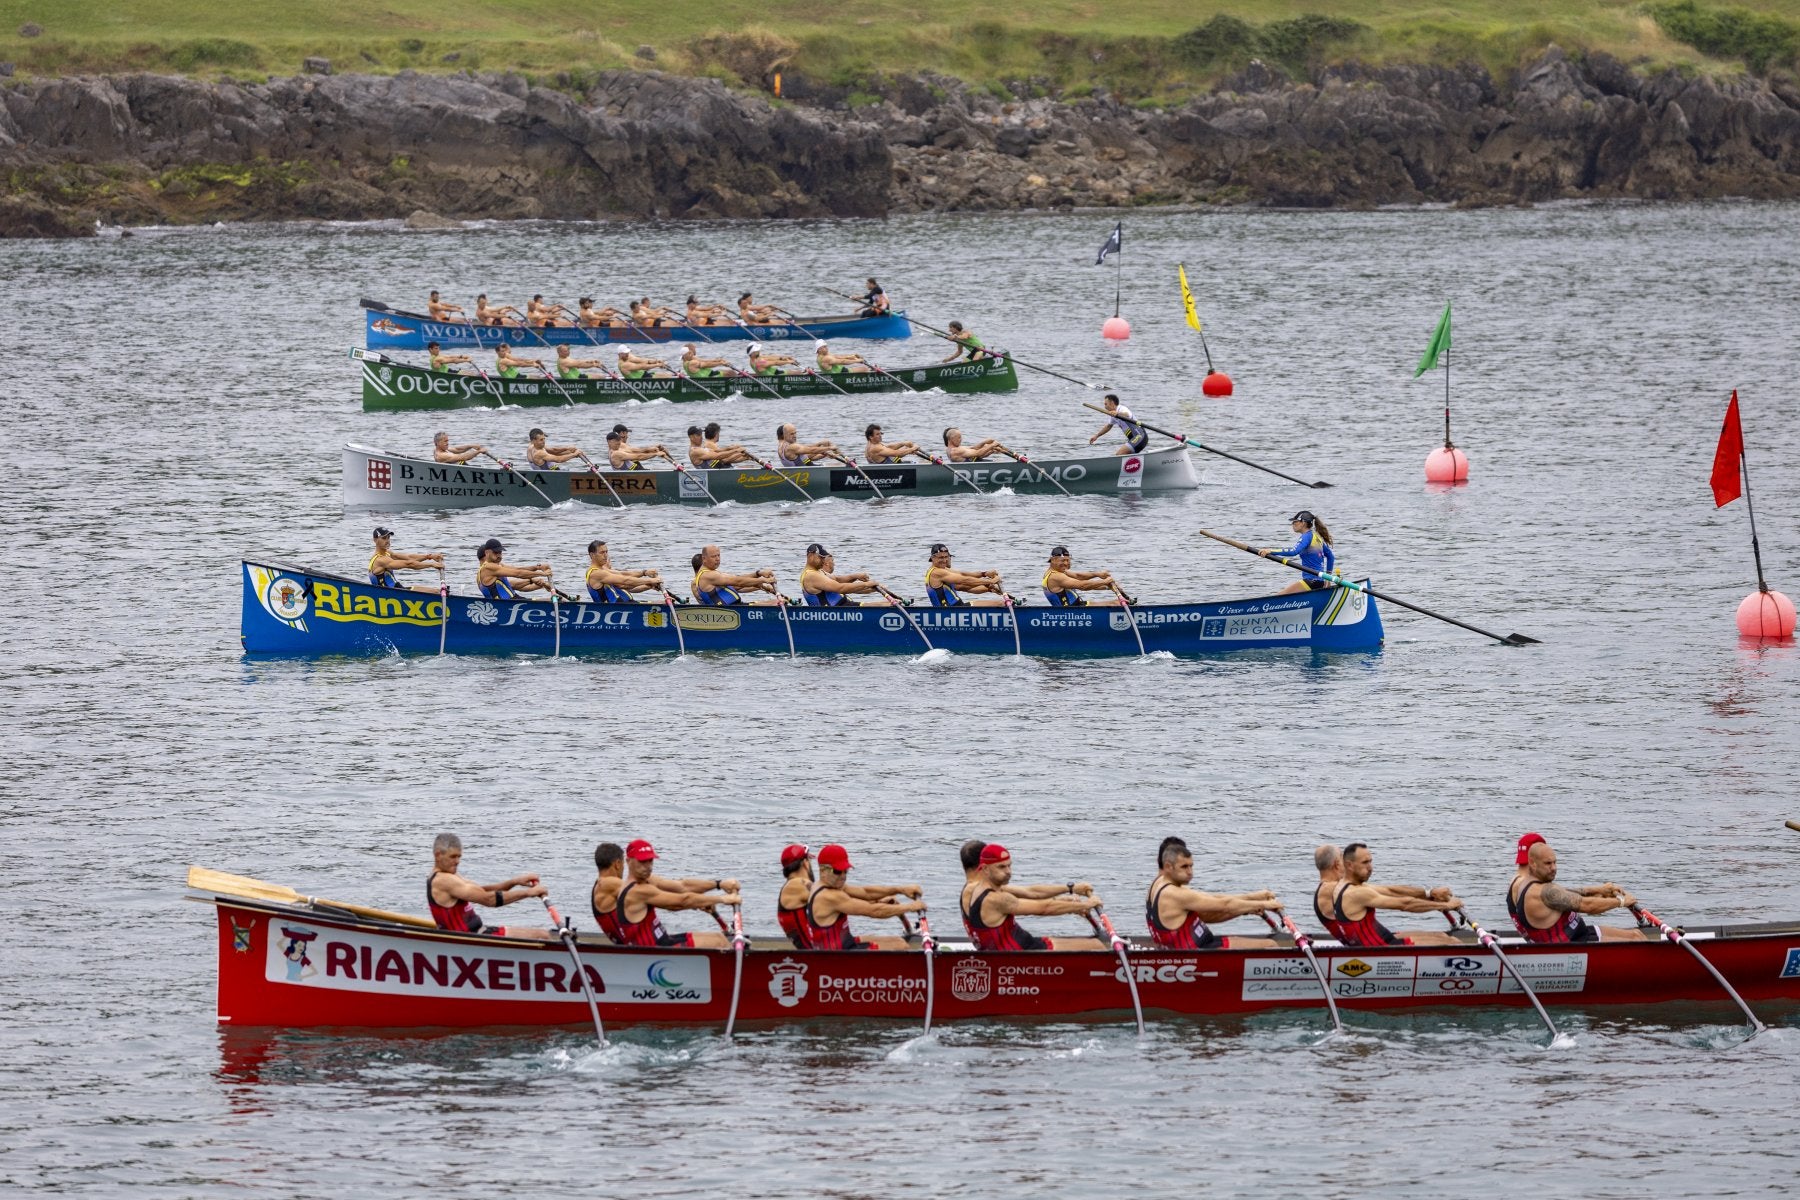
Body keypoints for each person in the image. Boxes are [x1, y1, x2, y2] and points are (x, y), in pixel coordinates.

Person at [590, 840, 740, 949]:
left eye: (650, 861)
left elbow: (682, 886)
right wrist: (719, 899)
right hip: (642, 950)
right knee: (719, 943)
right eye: (643, 862)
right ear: (620, 863)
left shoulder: (639, 882)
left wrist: (719, 884)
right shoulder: (609, 884)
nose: (648, 867)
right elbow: (679, 901)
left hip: (655, 939)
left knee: (719, 938)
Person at [776, 844, 926, 951]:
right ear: (805, 863)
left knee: (897, 941)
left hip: (838, 943)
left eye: (845, 871)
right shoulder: (800, 885)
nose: (843, 876)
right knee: (901, 947)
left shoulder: (824, 885)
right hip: (827, 956)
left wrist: (901, 889)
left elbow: (864, 892)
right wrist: (910, 907)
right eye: (838, 871)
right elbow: (870, 910)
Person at [1311, 842, 1462, 947]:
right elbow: (1404, 904)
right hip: (1377, 950)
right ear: (1338, 864)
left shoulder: (1342, 886)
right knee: (1454, 943)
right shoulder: (1331, 890)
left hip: (1378, 938)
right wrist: (1444, 905)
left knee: (1442, 937)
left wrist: (1430, 893)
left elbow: (1389, 890)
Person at [1506, 833, 1647, 942]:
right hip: (1572, 944)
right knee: (1636, 938)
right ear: (1533, 861)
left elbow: (1560, 895)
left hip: (1577, 932)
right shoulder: (1535, 889)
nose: (1554, 868)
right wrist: (1622, 902)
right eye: (1548, 862)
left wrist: (1598, 890)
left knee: (1637, 934)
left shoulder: (1522, 881)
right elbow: (1587, 905)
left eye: (1555, 862)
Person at [960, 844, 1104, 950]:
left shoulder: (983, 888)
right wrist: (1086, 904)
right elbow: (1044, 908)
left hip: (1025, 943)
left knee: (1087, 942)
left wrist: (1071, 889)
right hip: (1020, 953)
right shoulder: (994, 898)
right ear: (984, 868)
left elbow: (1032, 892)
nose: (1009, 872)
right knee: (1099, 946)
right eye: (1002, 867)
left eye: (1009, 866)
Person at [1146, 838, 1280, 949]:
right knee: (1271, 945)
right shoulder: (1174, 894)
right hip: (1197, 953)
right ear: (1169, 865)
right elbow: (1224, 905)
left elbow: (1211, 900)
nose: (1190, 872)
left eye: (1191, 866)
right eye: (1184, 866)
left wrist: (1253, 899)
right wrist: (1265, 904)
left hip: (1200, 945)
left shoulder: (1159, 884)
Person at [426, 832, 557, 940]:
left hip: (477, 933)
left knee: (544, 935)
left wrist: (514, 882)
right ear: (438, 855)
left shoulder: (452, 876)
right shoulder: (442, 881)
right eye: (453, 857)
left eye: (459, 857)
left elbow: (482, 892)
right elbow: (489, 900)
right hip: (468, 941)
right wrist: (527, 893)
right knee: (543, 936)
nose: (457, 861)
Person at [1260, 511, 1337, 595]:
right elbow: (1331, 557)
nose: (1292, 524)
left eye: (1295, 522)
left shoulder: (1306, 536)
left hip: (1311, 581)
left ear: (1303, 523)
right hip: (1320, 581)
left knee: (1277, 597)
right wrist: (1328, 578)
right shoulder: (1317, 537)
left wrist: (1270, 551)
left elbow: (1294, 551)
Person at [799, 542, 890, 608]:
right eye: (820, 557)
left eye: (824, 558)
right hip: (835, 613)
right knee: (887, 605)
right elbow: (840, 588)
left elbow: (837, 579)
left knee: (889, 604)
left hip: (844, 607)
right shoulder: (811, 576)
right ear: (810, 556)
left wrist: (855, 576)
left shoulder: (818, 571)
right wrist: (867, 584)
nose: (823, 561)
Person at [691, 545, 778, 606]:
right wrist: (763, 580)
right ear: (704, 559)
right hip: (729, 612)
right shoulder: (707, 575)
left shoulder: (714, 573)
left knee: (778, 602)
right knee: (776, 604)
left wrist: (758, 575)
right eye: (713, 556)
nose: (717, 559)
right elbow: (738, 582)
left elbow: (736, 582)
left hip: (737, 607)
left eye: (718, 555)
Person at [923, 543, 1006, 607]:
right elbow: (964, 580)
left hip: (957, 608)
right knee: (1000, 604)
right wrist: (990, 581)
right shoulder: (937, 573)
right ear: (932, 558)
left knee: (999, 603)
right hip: (952, 611)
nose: (944, 560)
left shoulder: (944, 570)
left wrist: (985, 575)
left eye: (946, 557)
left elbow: (963, 583)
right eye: (941, 558)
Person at [1042, 545, 1128, 606]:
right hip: (1071, 613)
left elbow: (1078, 576)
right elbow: (1083, 586)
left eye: (1067, 560)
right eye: (1062, 560)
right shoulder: (1055, 576)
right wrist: (1105, 581)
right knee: (1116, 604)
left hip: (1078, 607)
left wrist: (1102, 580)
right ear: (1052, 560)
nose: (1066, 563)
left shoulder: (1059, 571)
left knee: (1116, 602)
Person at [367, 526, 444, 590]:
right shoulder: (380, 560)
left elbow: (409, 557)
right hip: (389, 595)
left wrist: (429, 556)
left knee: (436, 591)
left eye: (388, 537)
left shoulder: (388, 553)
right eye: (384, 538)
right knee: (436, 592)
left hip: (397, 589)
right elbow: (409, 564)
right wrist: (432, 565)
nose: (387, 541)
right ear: (375, 540)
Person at [584, 540, 663, 603]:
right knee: (662, 604)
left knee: (662, 603)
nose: (605, 555)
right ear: (592, 555)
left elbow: (623, 576)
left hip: (623, 605)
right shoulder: (596, 573)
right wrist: (651, 580)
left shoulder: (603, 570)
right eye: (602, 552)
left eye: (606, 552)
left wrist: (645, 574)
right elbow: (625, 580)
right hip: (615, 609)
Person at [474, 537, 553, 599]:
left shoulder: (497, 566)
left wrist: (537, 567)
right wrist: (542, 574)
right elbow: (518, 574)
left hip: (513, 600)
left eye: (500, 552)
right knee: (554, 601)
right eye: (495, 553)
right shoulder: (488, 568)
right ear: (486, 554)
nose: (499, 555)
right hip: (506, 604)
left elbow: (517, 570)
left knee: (556, 600)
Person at [687, 425, 751, 468]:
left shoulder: (700, 448)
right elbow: (718, 456)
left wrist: (730, 448)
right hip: (714, 476)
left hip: (719, 470)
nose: (701, 437)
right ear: (691, 437)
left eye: (701, 434)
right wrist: (736, 451)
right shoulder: (695, 451)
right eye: (698, 435)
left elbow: (716, 451)